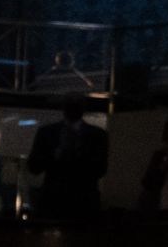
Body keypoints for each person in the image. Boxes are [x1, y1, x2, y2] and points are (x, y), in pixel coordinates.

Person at [25, 95, 109, 224]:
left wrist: (56, 156)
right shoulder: (97, 134)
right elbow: (100, 170)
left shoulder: (47, 132)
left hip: (60, 201)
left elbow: (34, 167)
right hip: (80, 202)